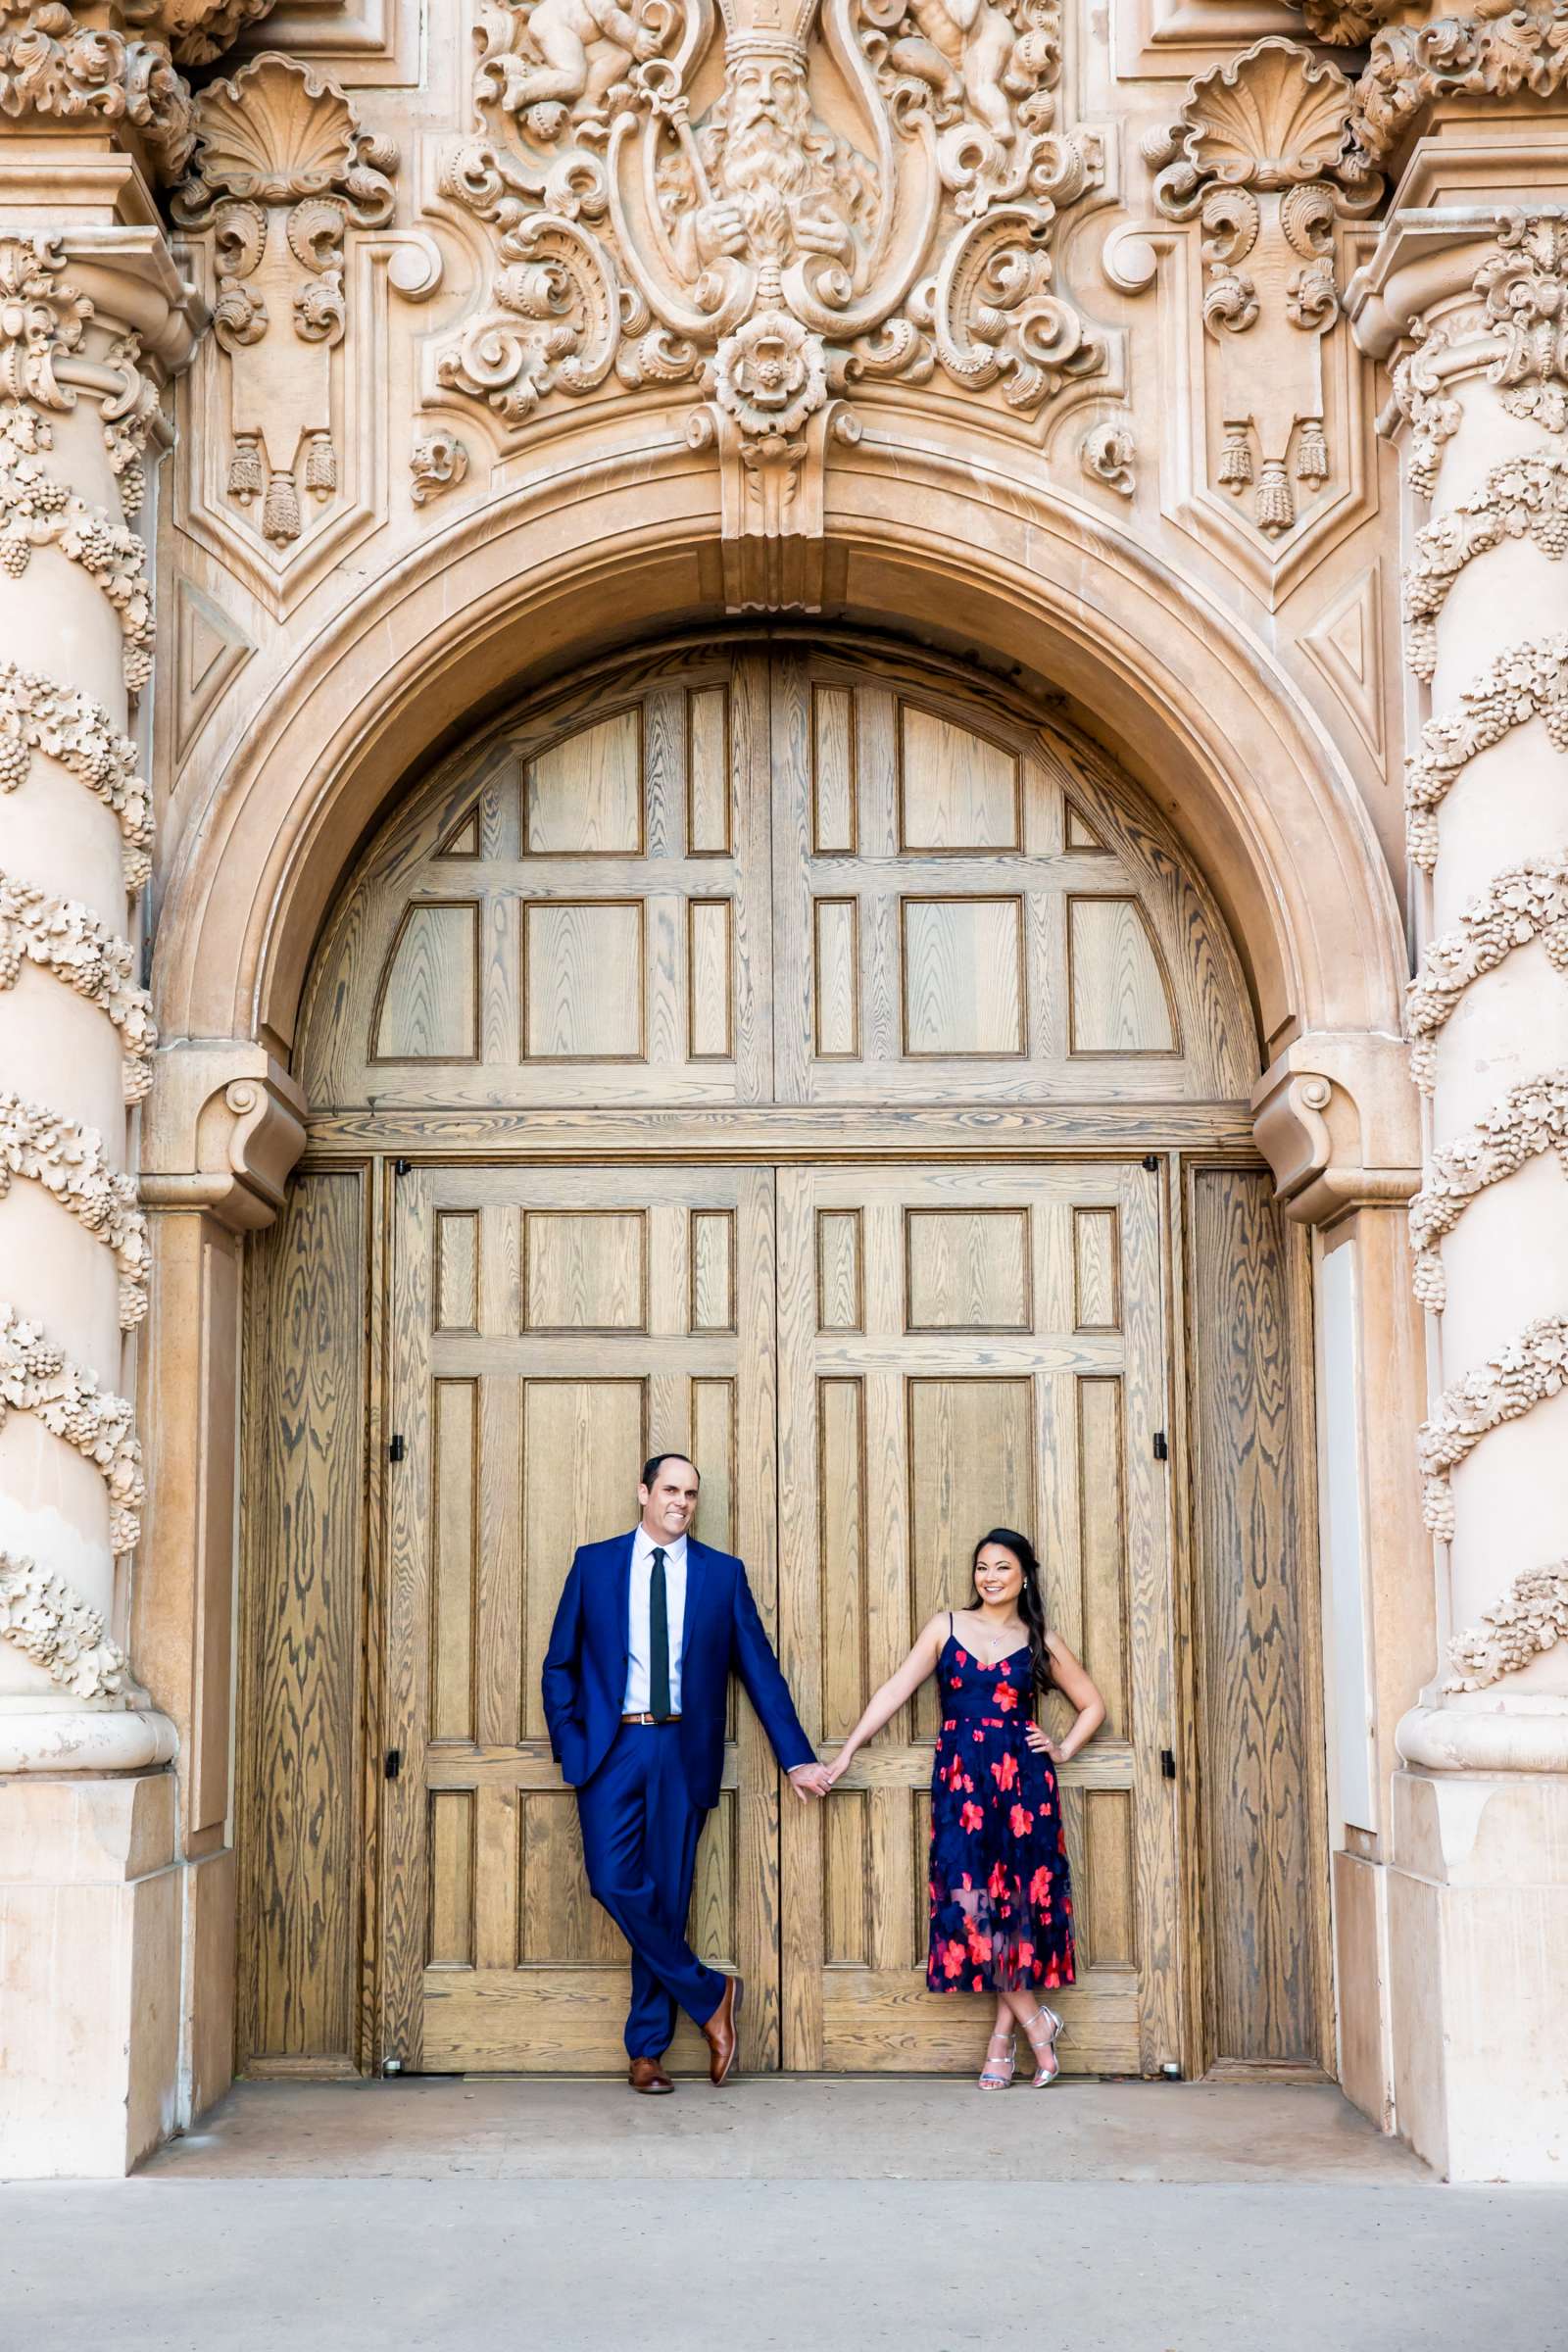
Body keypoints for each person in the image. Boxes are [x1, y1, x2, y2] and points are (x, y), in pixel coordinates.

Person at [541, 1452, 832, 2093]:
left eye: (691, 1494)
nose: (681, 1502)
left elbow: (760, 1671)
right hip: (612, 1748)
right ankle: (711, 1994)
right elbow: (559, 1663)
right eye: (671, 1489)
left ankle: (646, 2052)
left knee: (666, 1899)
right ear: (643, 1491)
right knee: (614, 1882)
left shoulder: (720, 1577)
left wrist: (798, 1756)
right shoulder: (594, 1565)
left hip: (682, 1751)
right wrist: (571, 1739)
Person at [825, 1526, 1105, 2089]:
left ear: (1023, 1574)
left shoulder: (1039, 1638)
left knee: (1019, 1914)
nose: (991, 1577)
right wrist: (847, 1751)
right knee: (971, 1906)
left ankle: (1002, 2043)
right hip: (962, 1786)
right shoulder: (946, 1627)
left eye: (1002, 1567)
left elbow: (1092, 1704)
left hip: (1024, 1787)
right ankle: (1035, 2021)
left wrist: (1063, 1747)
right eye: (982, 1567)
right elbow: (894, 1690)